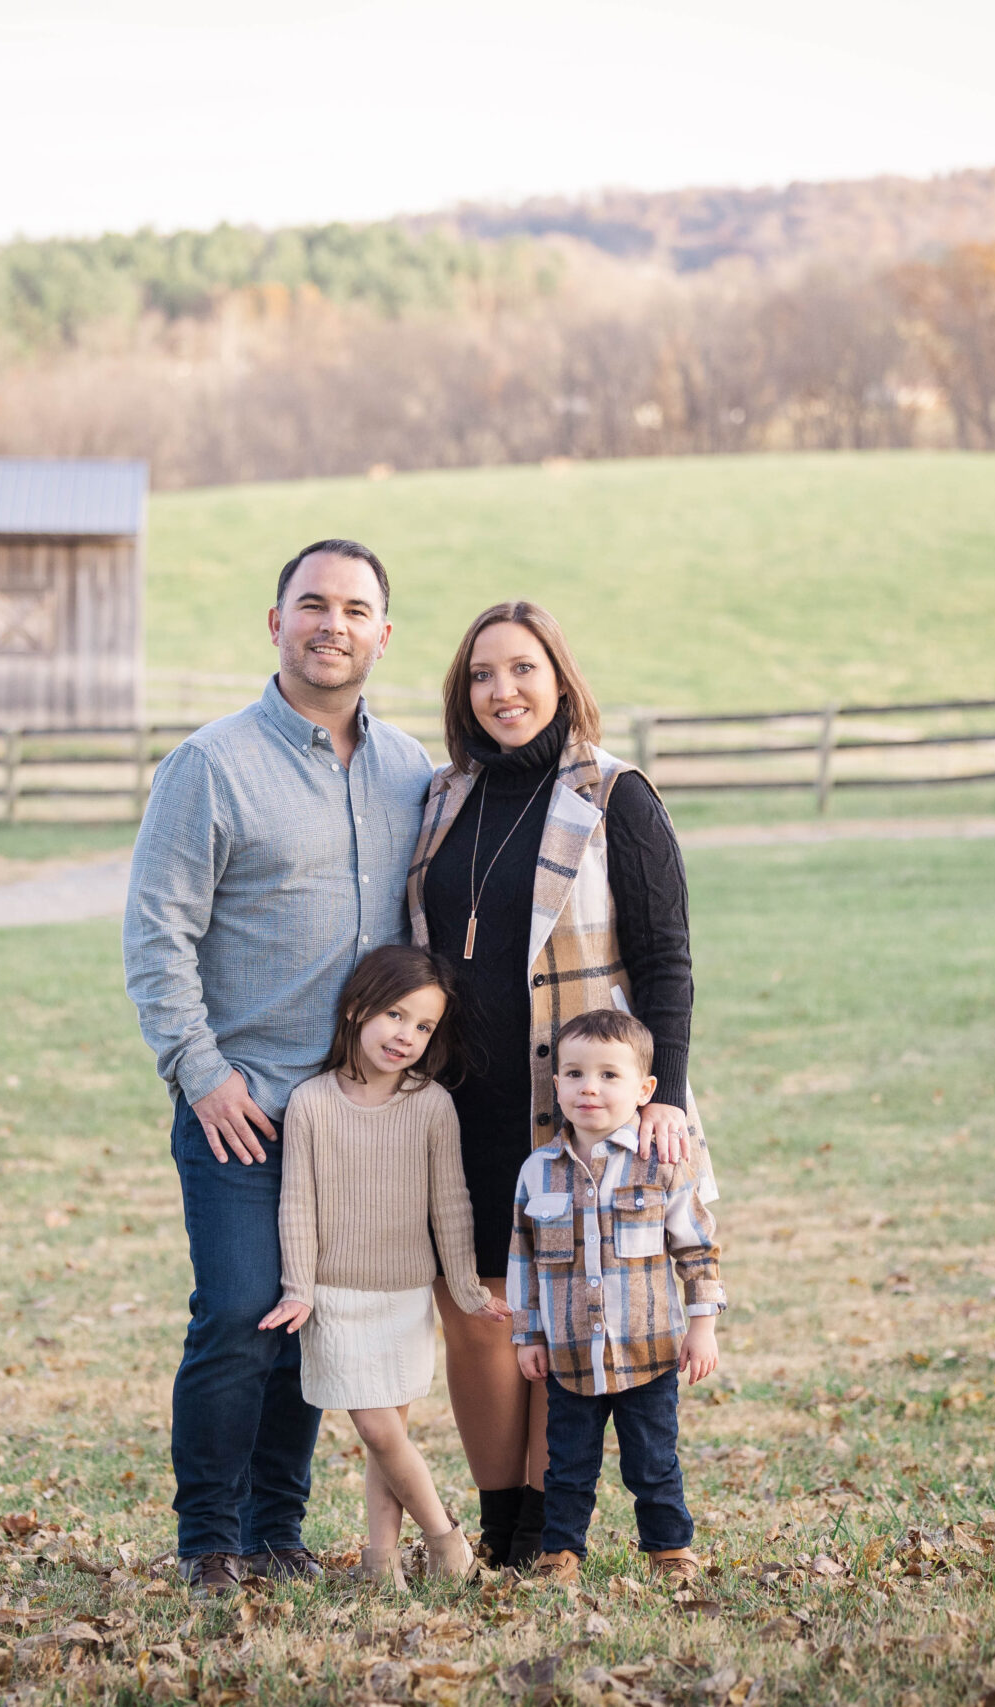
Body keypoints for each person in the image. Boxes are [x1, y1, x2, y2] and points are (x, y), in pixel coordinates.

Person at [124, 539, 436, 1595]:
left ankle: (275, 1531)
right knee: (241, 1311)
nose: (331, 625)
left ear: (382, 635)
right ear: (275, 623)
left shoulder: (409, 772)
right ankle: (208, 1538)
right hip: (243, 1104)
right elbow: (157, 936)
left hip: (353, 1118)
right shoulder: (208, 765)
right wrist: (196, 1069)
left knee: (313, 1322)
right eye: (312, 605)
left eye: (355, 610)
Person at [404, 599, 703, 1567]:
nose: (504, 691)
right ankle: (506, 1524)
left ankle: (550, 1529)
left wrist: (661, 1097)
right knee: (481, 1311)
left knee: (569, 1308)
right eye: (483, 675)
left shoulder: (617, 797)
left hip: (579, 1098)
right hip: (458, 1100)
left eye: (523, 669)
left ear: (561, 682)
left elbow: (665, 960)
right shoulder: (441, 800)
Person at [260, 945, 510, 1588]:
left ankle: (381, 1564)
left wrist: (463, 1286)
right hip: (336, 1295)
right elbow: (298, 1204)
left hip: (405, 1294)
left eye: (424, 1026)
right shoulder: (312, 1102)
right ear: (355, 1008)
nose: (407, 1036)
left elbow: (450, 1204)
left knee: (385, 1435)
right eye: (396, 1016)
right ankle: (446, 1540)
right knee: (374, 1424)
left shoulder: (429, 1104)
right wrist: (299, 1288)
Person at [508, 1009, 722, 1584]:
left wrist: (702, 1325)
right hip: (571, 1356)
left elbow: (696, 1247)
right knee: (568, 1466)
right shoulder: (538, 1173)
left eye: (609, 1075)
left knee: (653, 1463)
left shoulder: (663, 1164)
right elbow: (522, 1260)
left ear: (645, 1089)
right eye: (575, 1074)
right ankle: (561, 1552)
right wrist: (527, 1334)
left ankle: (669, 1549)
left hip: (648, 1352)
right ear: (556, 1086)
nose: (589, 1088)